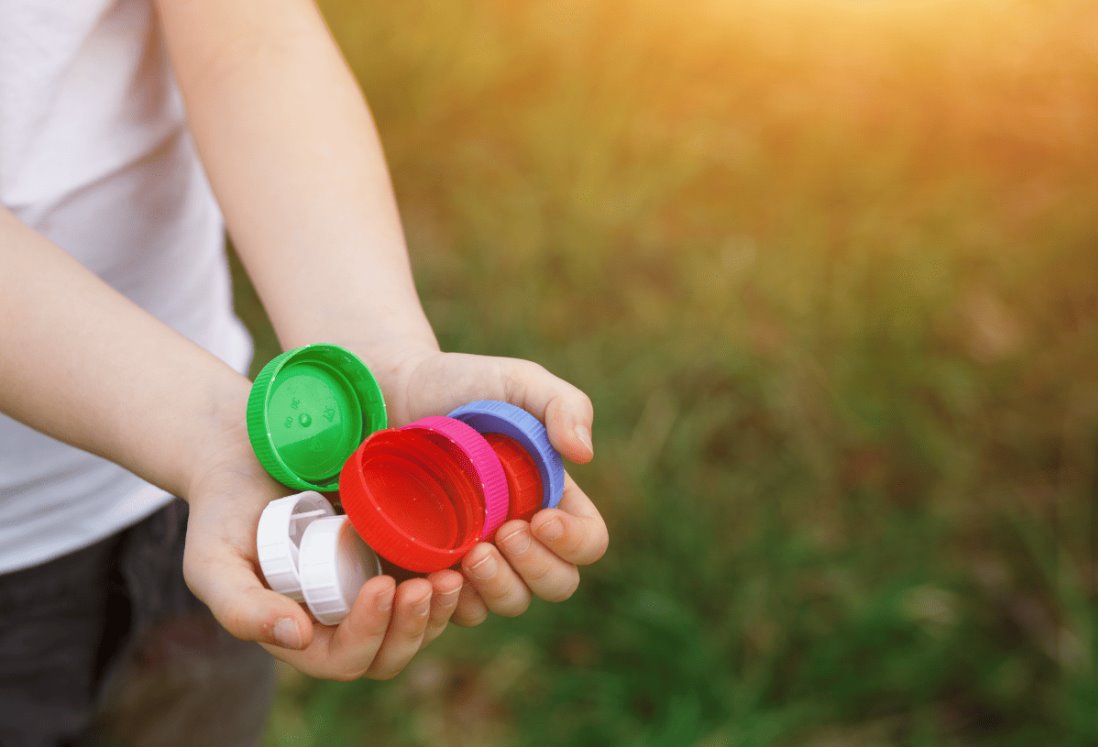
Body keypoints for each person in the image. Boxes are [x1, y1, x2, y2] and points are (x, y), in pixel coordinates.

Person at [0, 0, 609, 744]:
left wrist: (372, 351)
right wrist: (200, 434)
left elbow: (251, 40)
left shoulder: (240, 494)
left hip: (206, 514)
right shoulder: (213, 456)